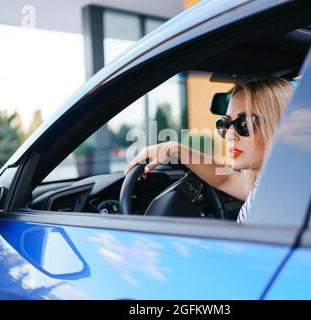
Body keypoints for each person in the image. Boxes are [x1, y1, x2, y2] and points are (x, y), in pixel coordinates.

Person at [125, 76, 294, 223]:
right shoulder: (276, 186)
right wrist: (173, 149)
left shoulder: (276, 203)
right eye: (225, 124)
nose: (229, 135)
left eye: (244, 124)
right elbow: (224, 178)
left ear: (278, 124)